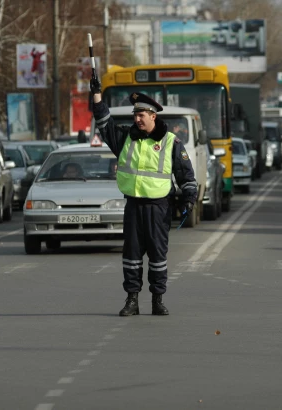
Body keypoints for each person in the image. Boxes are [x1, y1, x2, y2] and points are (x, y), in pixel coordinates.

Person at [90, 77, 197, 317]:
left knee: (158, 256)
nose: (137, 119)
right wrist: (97, 95)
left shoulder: (171, 142)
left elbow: (186, 176)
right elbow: (104, 123)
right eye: (135, 115)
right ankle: (132, 300)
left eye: (142, 115)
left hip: (159, 207)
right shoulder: (126, 138)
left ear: (153, 116)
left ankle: (158, 300)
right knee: (131, 256)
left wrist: (189, 199)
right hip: (133, 206)